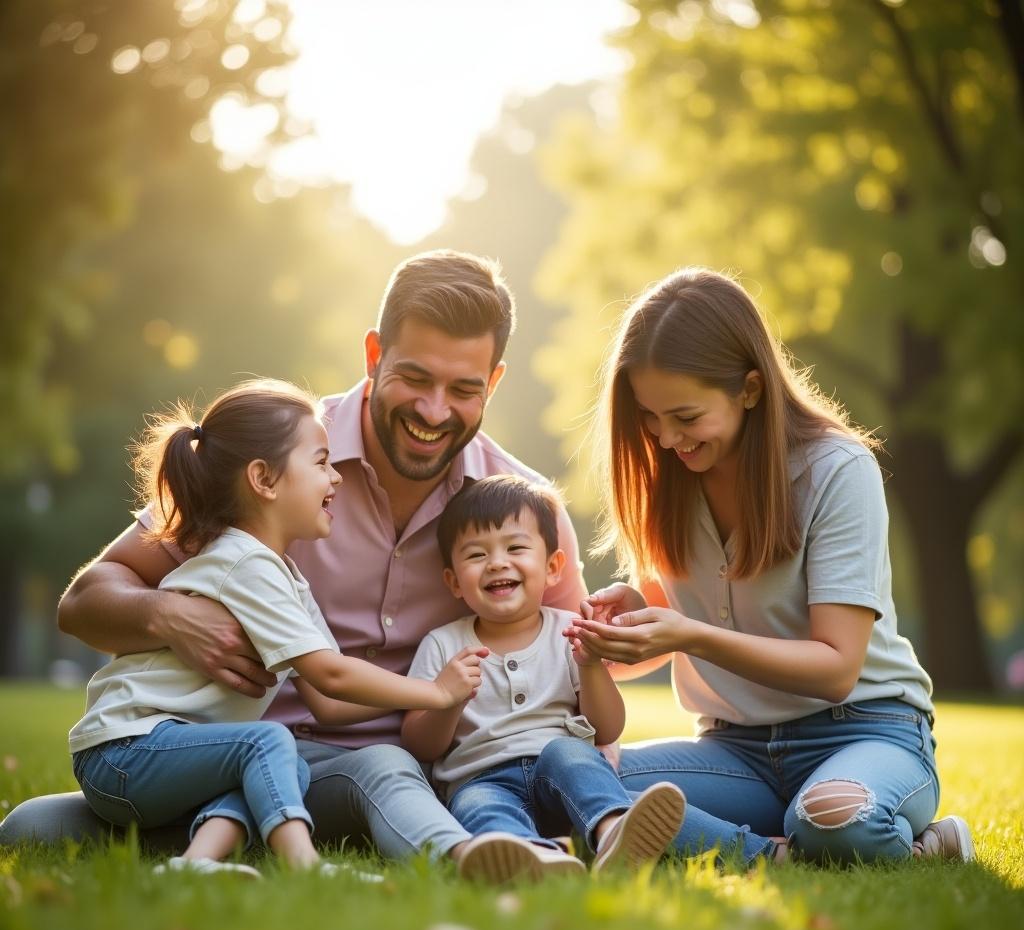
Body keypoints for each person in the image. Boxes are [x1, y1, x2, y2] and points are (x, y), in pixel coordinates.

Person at [1, 250, 587, 867]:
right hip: (228, 755)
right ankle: (229, 832)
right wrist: (166, 615)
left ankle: (451, 851)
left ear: (492, 383)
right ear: (373, 355)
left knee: (383, 767)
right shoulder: (279, 457)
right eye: (415, 379)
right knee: (27, 830)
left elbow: (567, 670)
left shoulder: (519, 512)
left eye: (464, 389)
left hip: (385, 774)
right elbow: (85, 602)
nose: (434, 411)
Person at [565, 267, 974, 866]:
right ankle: (772, 857)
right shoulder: (672, 480)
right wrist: (627, 628)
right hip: (735, 750)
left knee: (836, 824)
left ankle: (919, 846)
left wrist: (693, 635)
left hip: (859, 728)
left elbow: (836, 667)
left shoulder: (836, 470)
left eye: (685, 416)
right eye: (649, 418)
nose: (665, 438)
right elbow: (670, 629)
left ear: (750, 389)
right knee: (572, 782)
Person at [69, 379, 484, 876]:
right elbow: (330, 675)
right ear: (264, 479)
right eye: (320, 463)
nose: (336, 479)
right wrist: (432, 692)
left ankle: (194, 864)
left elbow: (328, 702)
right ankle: (304, 864)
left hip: (159, 753)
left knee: (269, 760)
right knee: (268, 742)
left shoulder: (284, 575)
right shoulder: (244, 562)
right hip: (124, 751)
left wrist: (436, 693)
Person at [402, 476, 685, 883]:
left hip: (559, 772)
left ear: (553, 568)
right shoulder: (443, 645)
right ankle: (536, 856)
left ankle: (613, 833)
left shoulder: (570, 630)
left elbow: (608, 728)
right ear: (453, 582)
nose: (497, 563)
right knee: (478, 804)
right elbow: (420, 745)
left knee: (571, 755)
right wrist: (450, 699)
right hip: (482, 777)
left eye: (515, 548)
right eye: (477, 554)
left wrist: (590, 667)